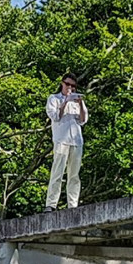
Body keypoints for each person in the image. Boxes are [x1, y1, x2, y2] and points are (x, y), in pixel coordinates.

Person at [45, 73, 88, 211]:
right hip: (61, 140)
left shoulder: (77, 101)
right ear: (62, 83)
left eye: (73, 86)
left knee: (74, 174)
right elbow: (55, 116)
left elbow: (83, 120)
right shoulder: (54, 98)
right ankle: (51, 204)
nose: (70, 88)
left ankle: (73, 204)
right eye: (68, 84)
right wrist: (65, 102)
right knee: (57, 172)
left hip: (76, 141)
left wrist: (80, 103)